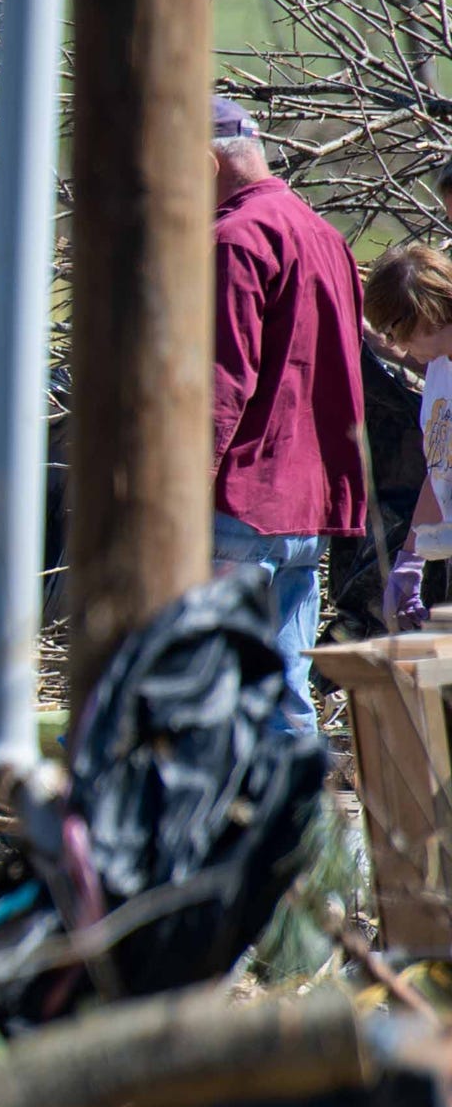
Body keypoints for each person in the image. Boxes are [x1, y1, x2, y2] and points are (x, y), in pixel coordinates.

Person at [210, 96, 370, 729]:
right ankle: (302, 829)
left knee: (222, 696)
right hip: (308, 506)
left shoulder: (234, 240)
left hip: (242, 500)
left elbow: (223, 381)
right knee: (287, 695)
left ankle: (237, 827)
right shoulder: (325, 236)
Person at [362, 242, 452, 630]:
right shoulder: (439, 369)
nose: (396, 345)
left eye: (396, 331)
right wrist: (409, 561)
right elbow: (440, 472)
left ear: (427, 313)